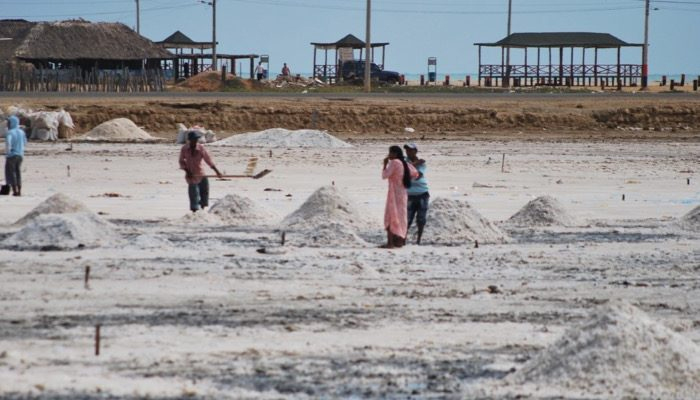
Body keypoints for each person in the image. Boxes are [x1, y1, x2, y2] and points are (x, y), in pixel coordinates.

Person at [382, 145, 418, 248]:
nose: (389, 155)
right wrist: (404, 179)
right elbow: (415, 173)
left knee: (390, 216)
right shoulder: (404, 163)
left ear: (395, 154)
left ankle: (390, 243)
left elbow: (385, 176)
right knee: (401, 217)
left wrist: (385, 165)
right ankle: (400, 241)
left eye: (390, 152)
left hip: (394, 194)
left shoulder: (394, 163)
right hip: (403, 193)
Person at [179, 131, 222, 212]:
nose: (195, 141)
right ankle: (195, 211)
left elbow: (208, 160)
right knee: (194, 193)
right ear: (190, 140)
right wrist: (187, 171)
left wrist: (217, 172)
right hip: (191, 175)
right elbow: (181, 161)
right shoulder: (185, 148)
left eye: (196, 139)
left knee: (204, 191)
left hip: (201, 174)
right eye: (193, 139)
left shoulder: (201, 148)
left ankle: (202, 209)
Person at [404, 143, 430, 244]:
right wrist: (415, 164)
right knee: (407, 219)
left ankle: (418, 239)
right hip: (409, 194)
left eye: (410, 150)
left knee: (421, 219)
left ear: (415, 151)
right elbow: (405, 171)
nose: (408, 152)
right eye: (407, 150)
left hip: (422, 193)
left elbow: (418, 175)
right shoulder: (405, 162)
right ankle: (404, 238)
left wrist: (415, 165)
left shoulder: (422, 164)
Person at [5, 116, 27, 197]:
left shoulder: (10, 132)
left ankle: (15, 191)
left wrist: (8, 153)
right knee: (18, 172)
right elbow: (25, 143)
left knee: (12, 173)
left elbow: (8, 143)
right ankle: (19, 190)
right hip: (20, 155)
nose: (7, 124)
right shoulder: (22, 132)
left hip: (12, 155)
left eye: (9, 122)